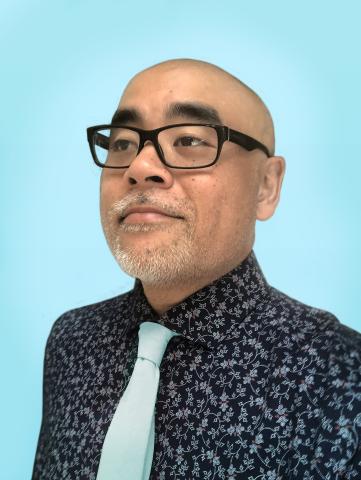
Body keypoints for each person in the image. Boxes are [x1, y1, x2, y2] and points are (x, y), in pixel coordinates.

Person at [32, 59, 361, 480]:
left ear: (266, 185)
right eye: (121, 143)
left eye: (188, 139)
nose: (139, 167)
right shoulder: (72, 342)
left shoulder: (340, 375)